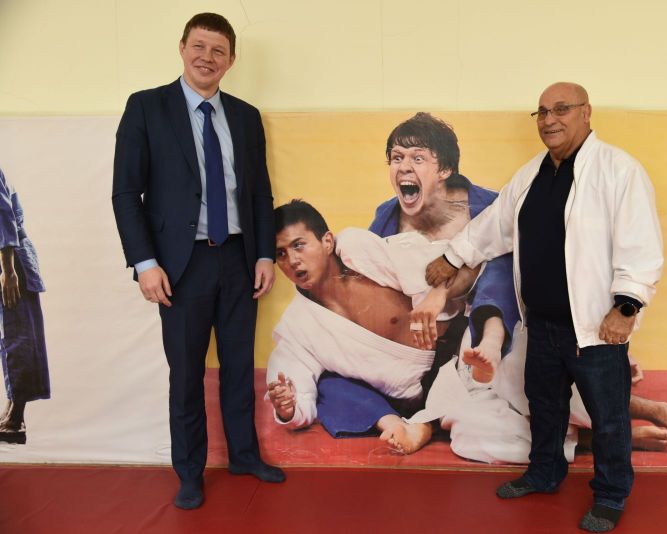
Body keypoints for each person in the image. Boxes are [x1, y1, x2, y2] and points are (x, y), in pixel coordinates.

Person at [426, 82, 662, 532]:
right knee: (545, 406)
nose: (549, 120)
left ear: (586, 112)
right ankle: (545, 473)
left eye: (561, 109)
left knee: (608, 417)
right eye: (541, 112)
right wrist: (453, 257)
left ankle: (610, 496)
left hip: (595, 327)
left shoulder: (618, 170)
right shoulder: (531, 174)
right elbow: (493, 226)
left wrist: (626, 306)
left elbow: (641, 244)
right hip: (542, 324)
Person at [111, 13, 284, 510]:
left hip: (238, 259)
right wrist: (145, 263)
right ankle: (189, 472)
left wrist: (265, 253)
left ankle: (244, 456)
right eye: (199, 47)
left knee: (238, 367)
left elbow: (259, 192)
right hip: (179, 267)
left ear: (231, 60)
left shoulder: (246, 116)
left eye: (219, 51)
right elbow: (126, 193)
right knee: (186, 374)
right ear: (183, 47)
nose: (207, 58)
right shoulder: (147, 107)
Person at [266, 200, 532, 464]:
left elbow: (462, 263)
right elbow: (295, 392)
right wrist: (288, 407)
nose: (292, 260)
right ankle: (403, 423)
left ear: (327, 242)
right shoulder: (296, 325)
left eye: (298, 245)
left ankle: (485, 350)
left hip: (464, 345)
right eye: (281, 254)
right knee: (328, 386)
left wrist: (438, 295)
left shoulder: (357, 251)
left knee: (500, 264)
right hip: (415, 393)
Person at [0, 168, 50, 445]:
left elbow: (3, 217)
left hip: (11, 262)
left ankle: (15, 420)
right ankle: (11, 415)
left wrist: (8, 271)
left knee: (18, 338)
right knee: (12, 338)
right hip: (10, 259)